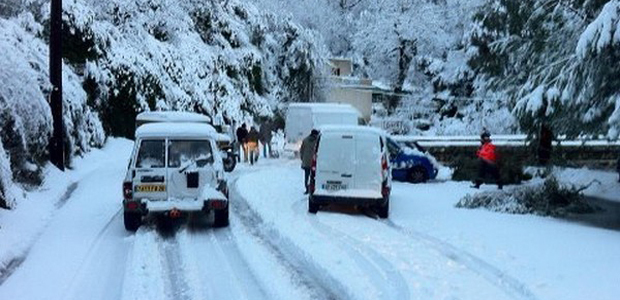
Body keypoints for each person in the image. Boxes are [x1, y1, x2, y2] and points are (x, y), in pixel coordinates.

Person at [300, 129, 319, 194]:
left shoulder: (305, 140)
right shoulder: (317, 141)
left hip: (306, 162)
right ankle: (313, 188)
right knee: (314, 176)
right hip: (314, 162)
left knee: (306, 176)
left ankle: (307, 189)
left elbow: (301, 151)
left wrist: (302, 158)